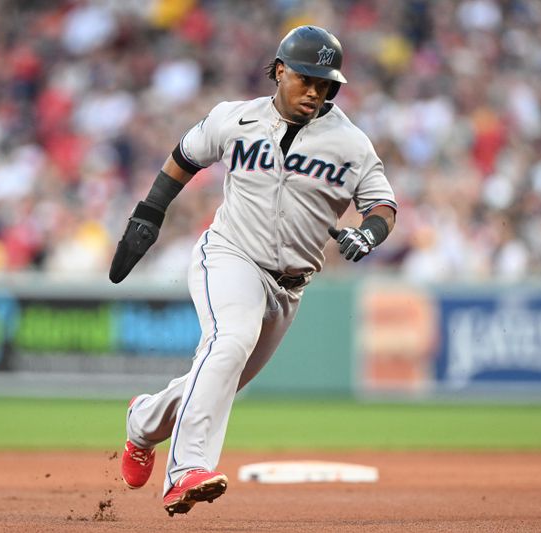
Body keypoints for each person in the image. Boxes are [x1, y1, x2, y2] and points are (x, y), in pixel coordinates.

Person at [109, 25, 397, 516]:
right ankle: (184, 471)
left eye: (325, 83)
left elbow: (383, 205)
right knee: (230, 340)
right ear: (280, 71)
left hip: (289, 286)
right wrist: (149, 213)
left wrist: (368, 232)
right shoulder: (234, 119)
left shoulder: (350, 144)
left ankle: (145, 421)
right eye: (306, 78)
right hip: (229, 255)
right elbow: (184, 156)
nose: (316, 91)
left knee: (223, 375)